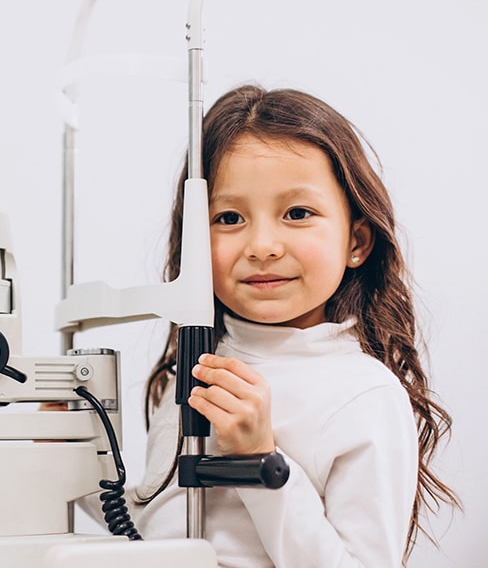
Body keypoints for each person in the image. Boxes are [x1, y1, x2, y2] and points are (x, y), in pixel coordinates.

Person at [131, 84, 459, 567]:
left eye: (297, 213)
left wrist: (259, 459)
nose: (262, 246)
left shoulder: (364, 395)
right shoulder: (197, 367)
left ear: (356, 242)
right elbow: (155, 527)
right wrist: (74, 454)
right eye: (229, 217)